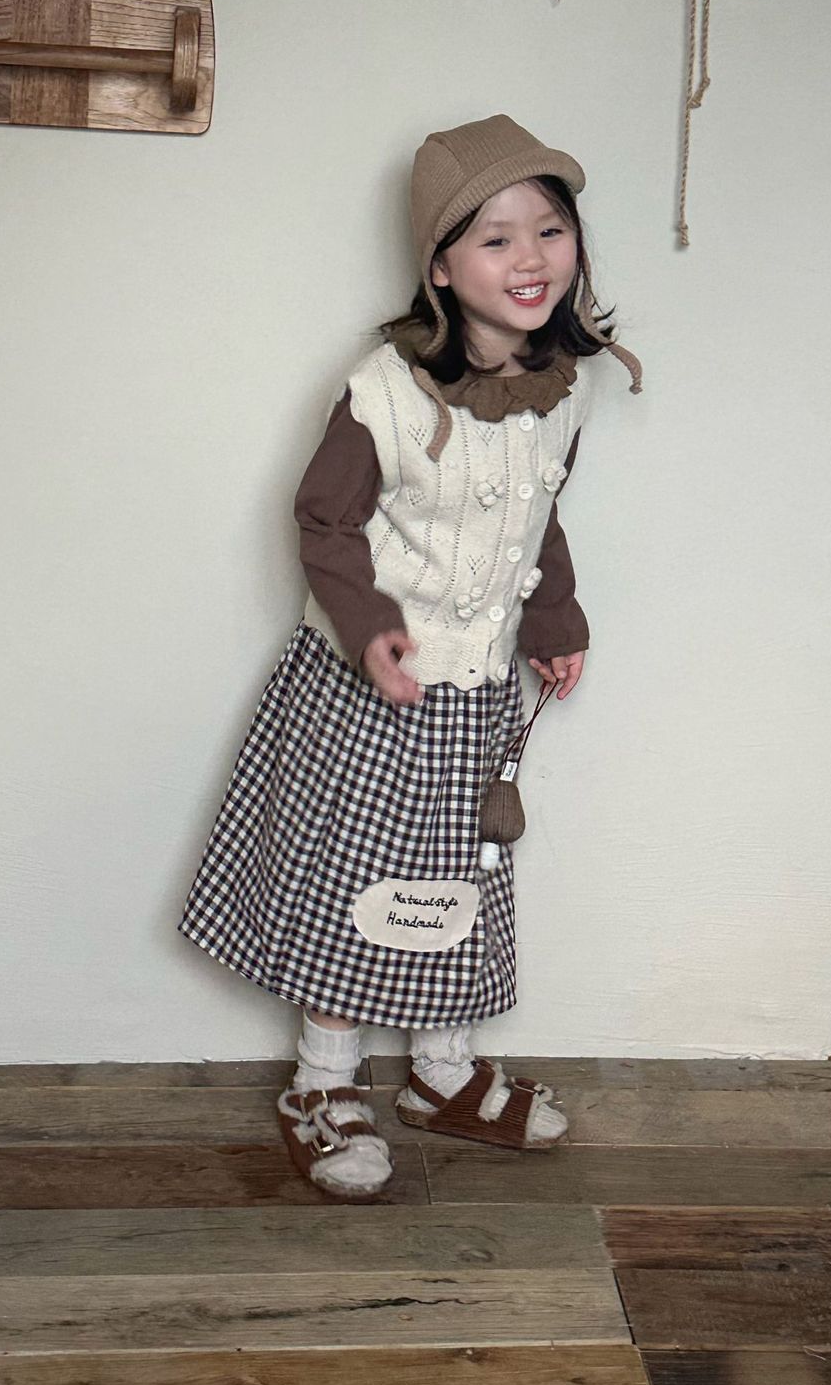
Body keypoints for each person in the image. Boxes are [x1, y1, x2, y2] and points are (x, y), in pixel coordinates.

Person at [179, 114, 640, 1199]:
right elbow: (324, 519)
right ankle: (322, 1080)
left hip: (475, 693)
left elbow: (536, 517)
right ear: (440, 265)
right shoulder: (383, 389)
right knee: (355, 882)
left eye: (549, 229)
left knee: (456, 875)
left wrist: (555, 619)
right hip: (369, 688)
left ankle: (440, 1069)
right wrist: (369, 623)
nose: (529, 258)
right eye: (494, 237)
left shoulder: (563, 389)